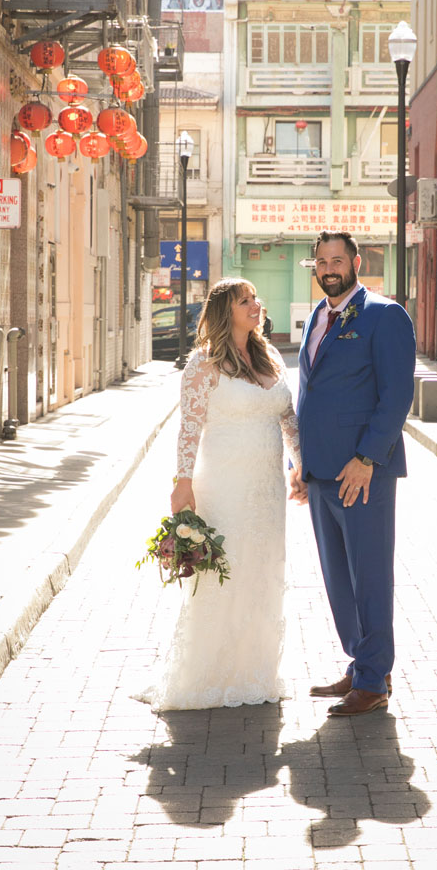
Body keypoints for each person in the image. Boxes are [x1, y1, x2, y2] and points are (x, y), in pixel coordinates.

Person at [136, 278, 301, 711]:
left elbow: (288, 417)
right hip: (224, 485)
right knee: (224, 574)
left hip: (267, 489)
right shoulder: (202, 365)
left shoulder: (270, 358)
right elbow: (189, 426)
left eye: (255, 297)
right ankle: (207, 674)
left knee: (263, 569)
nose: (256, 303)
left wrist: (301, 464)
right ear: (225, 312)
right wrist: (182, 481)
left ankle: (256, 671)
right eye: (245, 300)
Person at [292, 231, 415, 716]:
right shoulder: (317, 318)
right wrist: (299, 462)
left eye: (337, 260)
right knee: (338, 578)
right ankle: (363, 664)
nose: (328, 268)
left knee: (370, 575)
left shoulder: (384, 315)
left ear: (357, 262)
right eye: (321, 261)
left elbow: (396, 397)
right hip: (320, 472)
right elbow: (309, 395)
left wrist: (366, 459)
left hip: (363, 472)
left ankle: (373, 680)